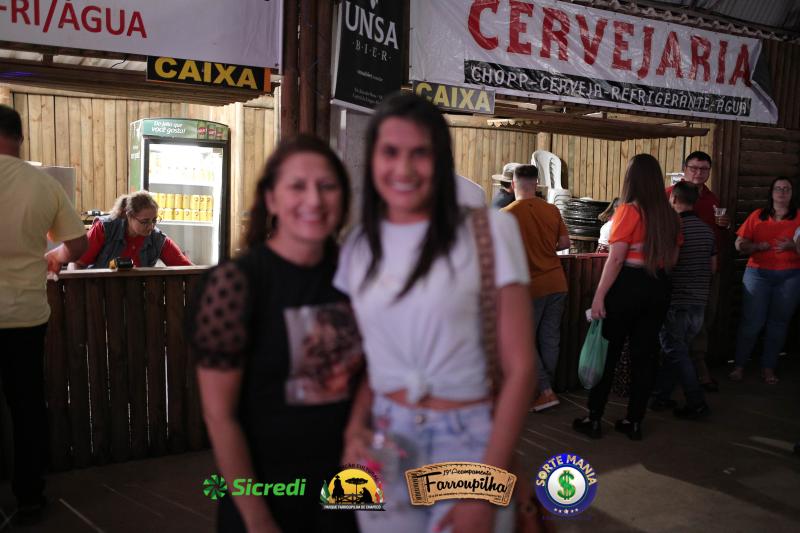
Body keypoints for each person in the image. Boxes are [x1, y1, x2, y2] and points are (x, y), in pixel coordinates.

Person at [335, 93, 534, 533]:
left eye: (419, 153)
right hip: (381, 437)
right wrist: (353, 428)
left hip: (466, 442)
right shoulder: (358, 245)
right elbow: (369, 360)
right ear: (372, 159)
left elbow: (522, 369)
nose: (403, 168)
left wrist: (484, 487)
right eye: (390, 152)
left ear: (441, 159)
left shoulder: (489, 230)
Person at [189, 136, 363, 533]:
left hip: (349, 483)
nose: (314, 200)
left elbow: (370, 372)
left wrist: (358, 426)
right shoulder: (236, 284)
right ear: (271, 199)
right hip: (268, 488)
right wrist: (257, 518)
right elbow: (219, 415)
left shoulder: (357, 276)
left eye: (327, 186)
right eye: (297, 186)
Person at [0, 104, 88, 522]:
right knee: (27, 407)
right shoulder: (42, 184)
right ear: (20, 138)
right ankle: (30, 497)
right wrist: (55, 256)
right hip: (25, 317)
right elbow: (78, 245)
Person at [573, 154, 680, 441]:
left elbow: (616, 258)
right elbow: (672, 259)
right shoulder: (671, 216)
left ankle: (594, 418)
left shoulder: (628, 211)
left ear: (631, 179)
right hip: (659, 287)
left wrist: (599, 296)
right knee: (644, 356)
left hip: (627, 286)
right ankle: (634, 421)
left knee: (608, 353)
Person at [502, 164, 570, 412]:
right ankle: (545, 390)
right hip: (557, 282)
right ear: (537, 185)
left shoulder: (506, 214)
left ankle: (544, 391)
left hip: (529, 287)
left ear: (513, 185)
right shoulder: (551, 209)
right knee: (550, 338)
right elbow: (565, 243)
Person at [666, 151, 730, 393]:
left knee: (702, 321)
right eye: (694, 168)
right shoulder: (669, 194)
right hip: (674, 272)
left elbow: (718, 239)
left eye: (704, 169)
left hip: (704, 273)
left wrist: (726, 225)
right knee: (672, 324)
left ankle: (696, 368)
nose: (698, 173)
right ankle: (679, 374)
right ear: (684, 169)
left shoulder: (713, 200)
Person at [651, 181, 717, 418]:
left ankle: (696, 402)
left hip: (676, 300)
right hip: (699, 301)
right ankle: (661, 397)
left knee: (675, 350)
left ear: (674, 199)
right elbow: (713, 267)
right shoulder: (707, 231)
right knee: (677, 351)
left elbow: (666, 264)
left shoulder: (673, 229)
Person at [729, 177, 800, 385]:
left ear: (792, 193)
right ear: (771, 192)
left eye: (787, 188)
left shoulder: (799, 217)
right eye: (778, 188)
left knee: (779, 323)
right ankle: (739, 365)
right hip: (758, 273)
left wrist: (792, 246)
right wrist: (755, 247)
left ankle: (768, 367)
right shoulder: (757, 215)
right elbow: (739, 243)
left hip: (790, 275)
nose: (782, 192)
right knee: (751, 322)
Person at [55, 191, 192, 268]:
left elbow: (187, 268)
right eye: (145, 221)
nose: (151, 226)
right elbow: (77, 263)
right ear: (129, 216)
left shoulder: (157, 239)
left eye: (154, 220)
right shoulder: (104, 229)